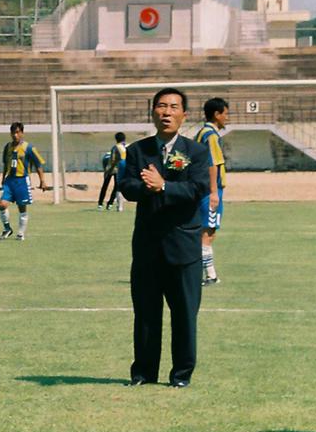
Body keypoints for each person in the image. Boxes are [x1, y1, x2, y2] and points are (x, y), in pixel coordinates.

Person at [118, 88, 211, 388]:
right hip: (147, 246)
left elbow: (199, 189)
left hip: (183, 246)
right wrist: (148, 187)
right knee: (145, 313)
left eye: (173, 107)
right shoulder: (137, 151)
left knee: (184, 315)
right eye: (161, 106)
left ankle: (181, 375)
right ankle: (143, 372)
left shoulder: (196, 152)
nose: (166, 112)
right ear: (153, 112)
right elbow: (127, 186)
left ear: (184, 115)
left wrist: (164, 187)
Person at [195, 99, 230, 285]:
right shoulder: (211, 135)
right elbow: (213, 163)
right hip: (210, 191)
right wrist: (214, 192)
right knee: (207, 233)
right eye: (225, 113)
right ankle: (209, 275)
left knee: (208, 231)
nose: (227, 118)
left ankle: (209, 274)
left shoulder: (202, 133)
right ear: (217, 114)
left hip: (207, 190)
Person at [0, 122, 47, 240]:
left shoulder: (28, 148)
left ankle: (21, 233)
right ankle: (7, 229)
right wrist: (3, 178)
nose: (15, 135)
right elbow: (5, 164)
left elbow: (38, 164)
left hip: (22, 181)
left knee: (22, 207)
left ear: (22, 133)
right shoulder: (7, 147)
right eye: (13, 133)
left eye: (17, 132)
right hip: (9, 181)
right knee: (2, 204)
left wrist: (42, 180)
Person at [97, 132, 128, 211]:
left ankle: (101, 204)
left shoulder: (116, 147)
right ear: (124, 139)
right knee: (116, 187)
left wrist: (107, 170)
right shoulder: (124, 147)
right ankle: (109, 204)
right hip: (117, 169)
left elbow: (113, 160)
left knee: (106, 185)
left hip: (112, 168)